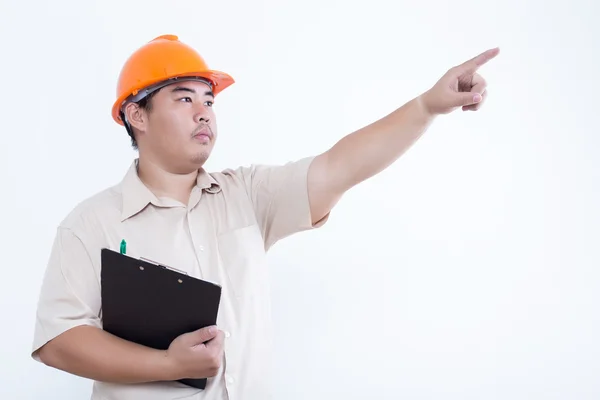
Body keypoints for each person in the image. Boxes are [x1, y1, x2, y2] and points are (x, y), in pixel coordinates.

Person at [31, 34, 499, 400]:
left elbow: (340, 166)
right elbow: (58, 340)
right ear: (137, 114)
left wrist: (425, 107)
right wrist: (168, 366)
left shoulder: (248, 195)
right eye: (183, 98)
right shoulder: (92, 223)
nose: (204, 113)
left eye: (209, 100)